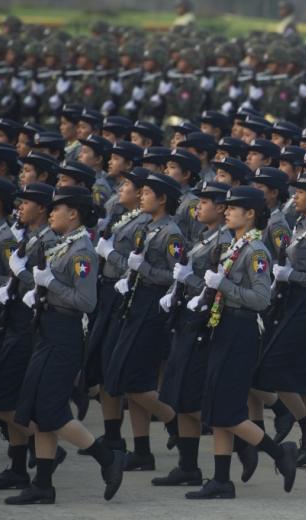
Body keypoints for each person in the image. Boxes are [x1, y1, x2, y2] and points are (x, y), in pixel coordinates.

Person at [7, 186, 123, 504]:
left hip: (65, 334)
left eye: (57, 208)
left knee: (52, 411)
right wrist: (36, 288)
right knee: (36, 410)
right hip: (48, 328)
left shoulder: (82, 252)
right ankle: (42, 484)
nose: (51, 213)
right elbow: (55, 288)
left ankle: (107, 458)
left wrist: (49, 284)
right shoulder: (63, 246)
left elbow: (86, 301)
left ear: (73, 213)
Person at [185, 186, 297, 499]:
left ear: (250, 214)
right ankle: (221, 480)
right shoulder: (234, 246)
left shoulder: (256, 250)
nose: (227, 211)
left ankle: (279, 453)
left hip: (241, 329)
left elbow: (261, 299)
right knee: (217, 407)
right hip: (224, 327)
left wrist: (225, 286)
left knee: (230, 410)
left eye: (234, 207)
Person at [154, 181, 233, 486]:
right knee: (182, 396)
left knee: (194, 396)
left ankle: (246, 446)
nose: (197, 207)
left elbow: (220, 289)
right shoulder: (204, 236)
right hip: (188, 321)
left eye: (205, 202)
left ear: (222, 208)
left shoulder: (224, 242)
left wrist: (193, 281)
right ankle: (187, 466)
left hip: (207, 325)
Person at [103, 172, 184, 471]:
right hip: (136, 302)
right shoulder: (148, 227)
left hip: (154, 307)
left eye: (148, 192)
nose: (141, 196)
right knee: (128, 380)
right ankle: (141, 450)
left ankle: (174, 421)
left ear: (163, 199)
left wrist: (145, 270)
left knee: (134, 380)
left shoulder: (171, 233)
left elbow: (177, 278)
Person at [254, 173, 306, 467]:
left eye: (302, 193)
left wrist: (292, 276)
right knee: (300, 376)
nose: (295, 197)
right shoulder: (302, 225)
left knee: (277, 365)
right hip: (293, 301)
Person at [0, 183, 58, 490]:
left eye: (27, 202)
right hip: (13, 321)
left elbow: (44, 285)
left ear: (42, 208)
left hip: (28, 324)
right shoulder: (28, 238)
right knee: (9, 397)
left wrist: (15, 276)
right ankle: (18, 466)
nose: (21, 207)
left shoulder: (44, 242)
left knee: (4, 397)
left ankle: (47, 445)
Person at [89, 167, 151, 454]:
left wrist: (109, 253)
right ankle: (113, 435)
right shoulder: (122, 217)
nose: (121, 188)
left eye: (127, 184)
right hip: (108, 293)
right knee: (103, 367)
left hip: (125, 294)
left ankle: (173, 427)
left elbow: (136, 265)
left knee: (119, 370)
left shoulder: (143, 224)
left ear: (140, 193)